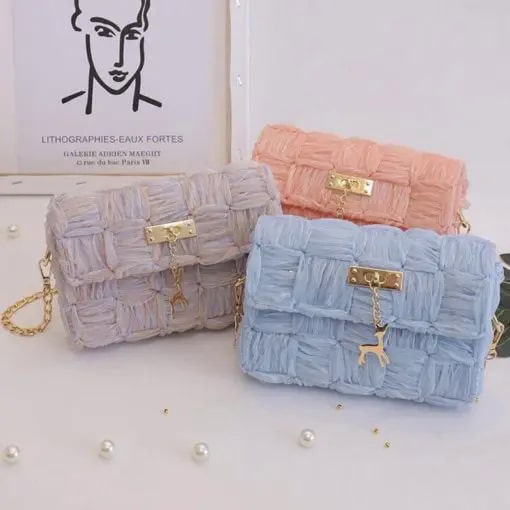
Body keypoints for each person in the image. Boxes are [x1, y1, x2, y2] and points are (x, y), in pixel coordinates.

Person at [62, 0, 162, 114]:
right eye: (104, 32)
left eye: (131, 35)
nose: (119, 61)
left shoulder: (161, 114)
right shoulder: (61, 112)